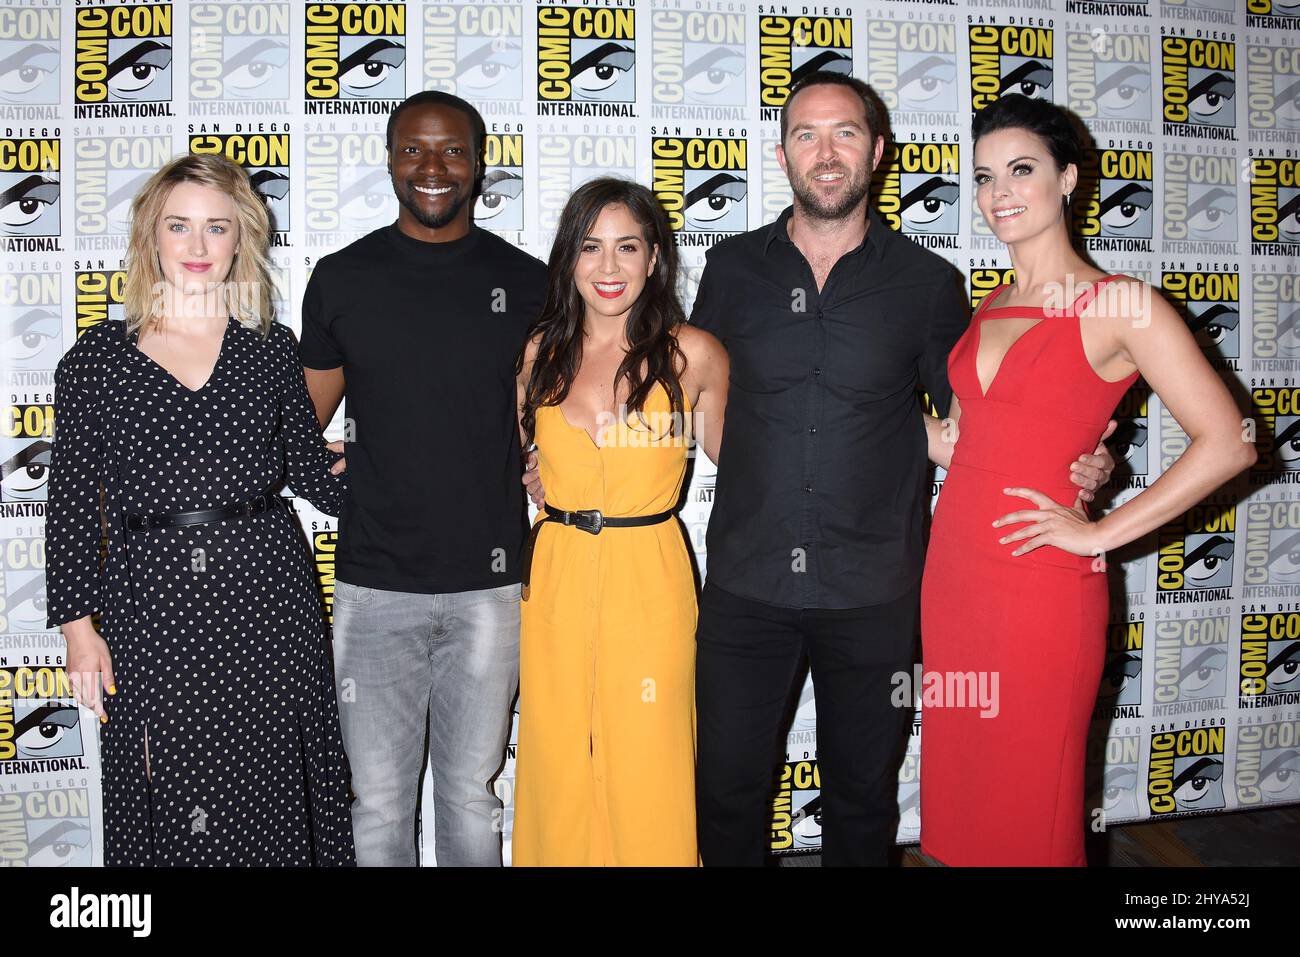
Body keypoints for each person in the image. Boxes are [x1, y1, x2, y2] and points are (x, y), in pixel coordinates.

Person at [682, 73, 1116, 867]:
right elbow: (689, 387)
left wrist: (1087, 455)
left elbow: (991, 414)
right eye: (806, 134)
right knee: (726, 789)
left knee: (861, 794)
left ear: (877, 152)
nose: (825, 151)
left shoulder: (925, 283)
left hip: (877, 588)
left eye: (844, 132)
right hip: (746, 581)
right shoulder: (732, 268)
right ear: (782, 154)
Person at [919, 94, 1257, 866]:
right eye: (983, 176)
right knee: (964, 801)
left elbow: (1231, 442)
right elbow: (967, 447)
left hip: (1041, 586)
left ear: (1069, 179)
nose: (999, 191)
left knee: (1031, 803)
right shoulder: (990, 304)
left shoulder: (1122, 305)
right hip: (956, 578)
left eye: (1021, 170)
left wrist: (1102, 528)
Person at [45, 153, 354, 865]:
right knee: (167, 791)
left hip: (267, 597)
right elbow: (68, 507)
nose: (196, 246)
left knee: (277, 785)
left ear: (241, 238)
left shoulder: (271, 351)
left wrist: (423, 465)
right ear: (150, 235)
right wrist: (77, 628)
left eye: (217, 228)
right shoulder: (95, 360)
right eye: (178, 226)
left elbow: (314, 477)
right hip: (151, 603)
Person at [299, 91, 547, 866]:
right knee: (376, 804)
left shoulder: (529, 282)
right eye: (413, 150)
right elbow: (304, 427)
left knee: (472, 796)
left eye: (451, 151)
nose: (433, 168)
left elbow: (547, 413)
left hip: (490, 586)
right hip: (375, 586)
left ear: (478, 164)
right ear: (390, 160)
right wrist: (349, 478)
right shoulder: (343, 278)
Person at [512, 178, 727, 866]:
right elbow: (505, 459)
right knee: (558, 756)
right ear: (568, 259)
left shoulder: (694, 354)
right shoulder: (538, 352)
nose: (608, 268)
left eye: (627, 247)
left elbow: (754, 467)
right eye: (591, 247)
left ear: (655, 257)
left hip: (651, 577)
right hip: (557, 576)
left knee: (649, 755)